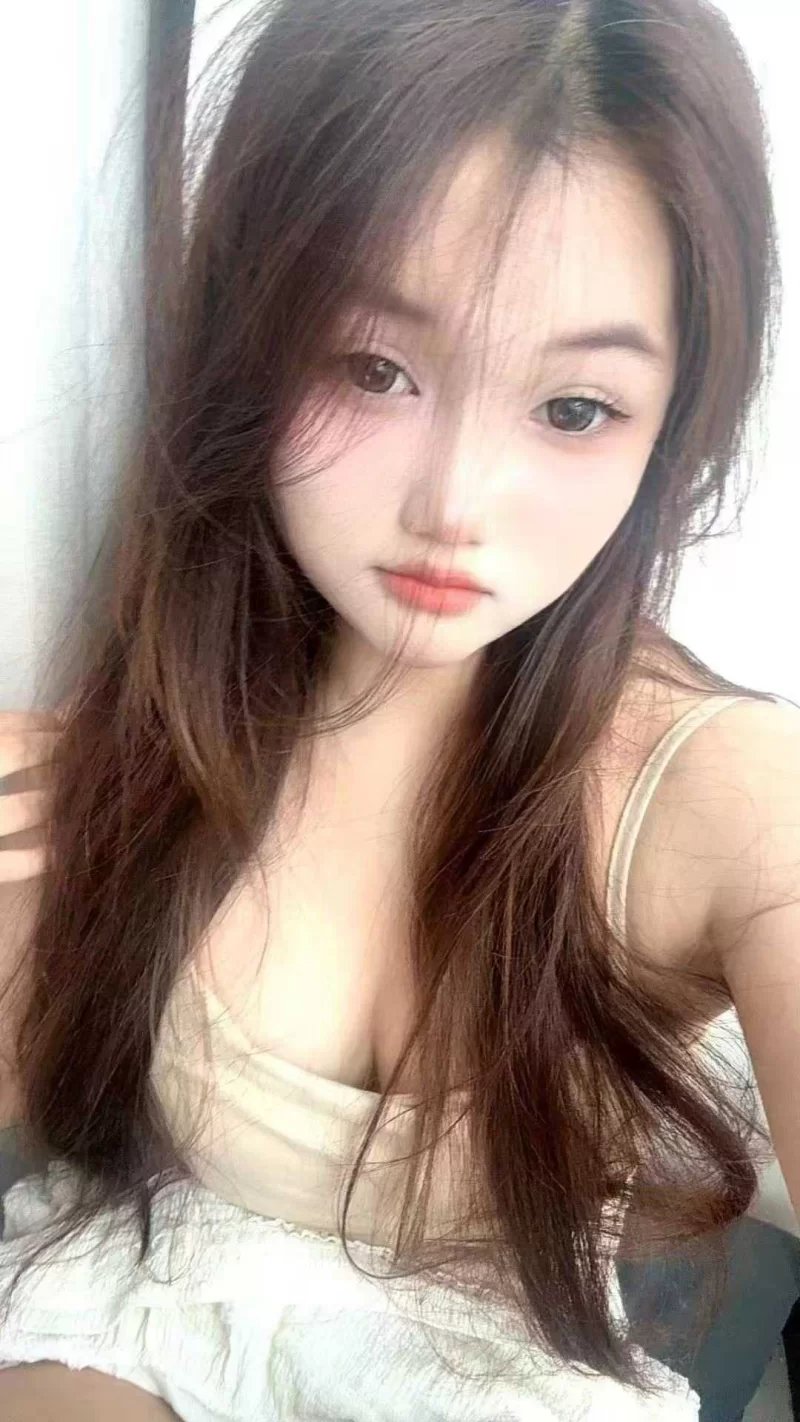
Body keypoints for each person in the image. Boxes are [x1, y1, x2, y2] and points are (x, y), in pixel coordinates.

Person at [0, 0, 799, 1417]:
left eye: (574, 408)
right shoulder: (128, 757)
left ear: (673, 416)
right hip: (139, 1285)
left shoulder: (724, 796)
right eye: (374, 367)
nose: (455, 503)